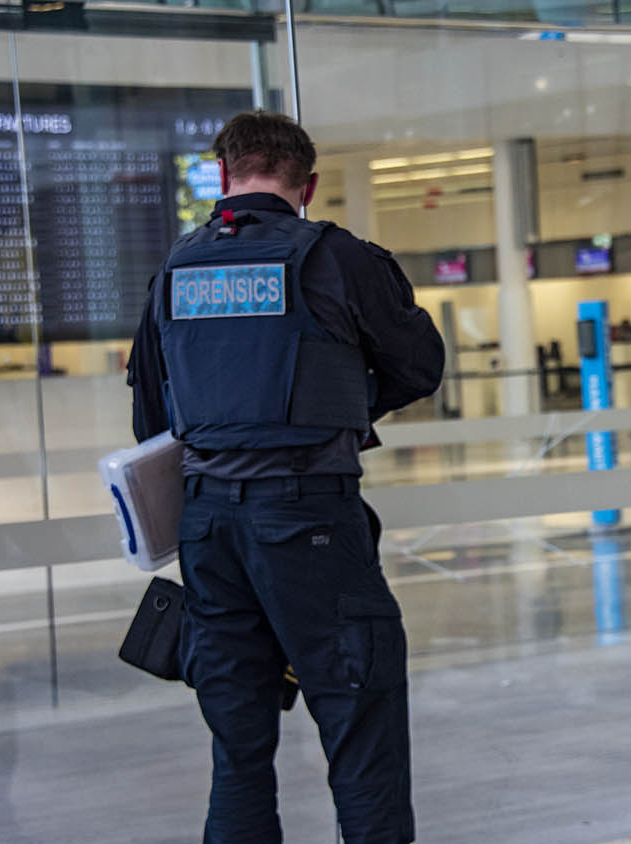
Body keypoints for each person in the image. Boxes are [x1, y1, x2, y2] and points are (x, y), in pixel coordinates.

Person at [127, 110, 444, 844]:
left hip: (209, 530)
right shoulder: (337, 258)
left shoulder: (175, 267)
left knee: (237, 754)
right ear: (308, 185)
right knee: (361, 736)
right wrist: (340, 407)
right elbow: (419, 366)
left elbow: (152, 416)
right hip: (310, 524)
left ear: (221, 176)